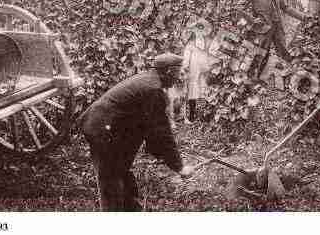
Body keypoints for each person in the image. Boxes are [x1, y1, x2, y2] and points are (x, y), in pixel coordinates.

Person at [79, 53, 194, 211]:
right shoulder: (153, 90)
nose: (181, 76)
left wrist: (158, 151)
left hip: (109, 127)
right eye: (179, 72)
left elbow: (150, 128)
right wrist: (179, 167)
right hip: (102, 130)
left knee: (121, 170)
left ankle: (131, 210)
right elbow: (161, 133)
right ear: (169, 71)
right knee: (111, 180)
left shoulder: (149, 80)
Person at [240, 0, 309, 77]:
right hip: (263, 29)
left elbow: (286, 7)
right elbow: (239, 7)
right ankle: (252, 78)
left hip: (277, 27)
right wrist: (252, 20)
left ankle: (287, 77)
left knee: (283, 51)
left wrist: (303, 17)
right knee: (261, 53)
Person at [181, 21, 218, 123]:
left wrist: (211, 62)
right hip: (195, 66)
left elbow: (214, 53)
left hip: (206, 66)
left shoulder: (211, 41)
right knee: (193, 88)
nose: (200, 32)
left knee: (203, 86)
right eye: (198, 30)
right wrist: (185, 66)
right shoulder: (191, 43)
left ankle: (202, 110)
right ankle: (192, 112)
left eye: (202, 30)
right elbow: (187, 55)